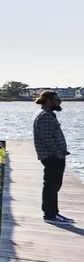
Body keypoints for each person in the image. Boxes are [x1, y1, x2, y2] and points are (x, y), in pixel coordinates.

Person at [33, 89, 73, 224]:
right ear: (49, 101)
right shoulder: (45, 116)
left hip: (55, 155)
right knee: (51, 185)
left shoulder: (48, 114)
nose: (59, 102)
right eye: (57, 100)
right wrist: (58, 153)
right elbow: (47, 139)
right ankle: (50, 215)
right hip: (51, 156)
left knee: (54, 184)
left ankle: (54, 212)